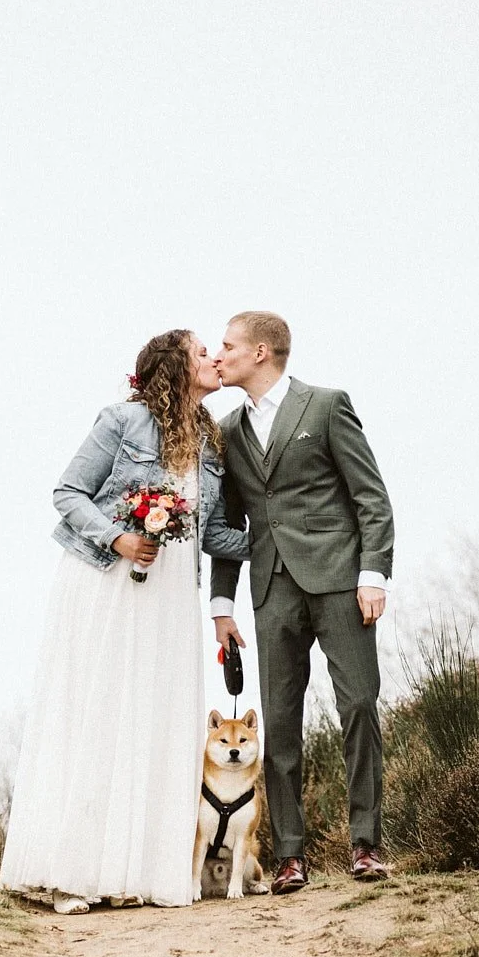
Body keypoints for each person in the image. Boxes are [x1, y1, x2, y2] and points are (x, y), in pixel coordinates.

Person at [0, 329, 249, 912]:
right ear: (175, 367)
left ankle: (127, 871)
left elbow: (212, 535)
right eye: (202, 351)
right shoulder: (120, 420)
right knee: (98, 714)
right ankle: (68, 875)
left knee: (151, 722)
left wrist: (278, 537)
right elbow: (67, 492)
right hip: (106, 585)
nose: (214, 358)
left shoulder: (212, 444)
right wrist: (119, 537)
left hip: (169, 600)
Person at [207, 310, 397, 891]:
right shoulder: (229, 430)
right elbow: (226, 520)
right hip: (271, 589)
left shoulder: (326, 405)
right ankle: (291, 854)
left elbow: (372, 497)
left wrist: (374, 574)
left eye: (229, 345)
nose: (220, 354)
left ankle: (366, 845)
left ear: (261, 352)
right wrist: (221, 606)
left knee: (359, 705)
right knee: (282, 724)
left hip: (340, 580)